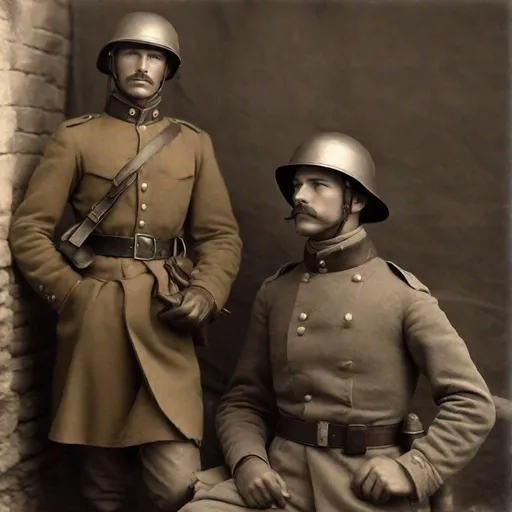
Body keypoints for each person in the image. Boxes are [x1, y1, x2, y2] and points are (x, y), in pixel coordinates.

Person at [179, 132, 496, 511]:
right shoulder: (277, 291)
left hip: (363, 492)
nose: (299, 197)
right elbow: (243, 400)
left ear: (356, 200)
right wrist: (249, 462)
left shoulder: (402, 296)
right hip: (283, 483)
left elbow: (472, 402)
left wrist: (416, 468)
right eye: (297, 186)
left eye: (317, 185)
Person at [9, 11, 242, 512]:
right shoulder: (76, 138)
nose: (142, 65)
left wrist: (205, 291)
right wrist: (71, 295)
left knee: (176, 484)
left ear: (167, 71)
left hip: (165, 321)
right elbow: (29, 229)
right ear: (111, 64)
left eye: (155, 56)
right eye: (132, 53)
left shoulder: (193, 144)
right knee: (101, 488)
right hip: (96, 324)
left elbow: (220, 236)